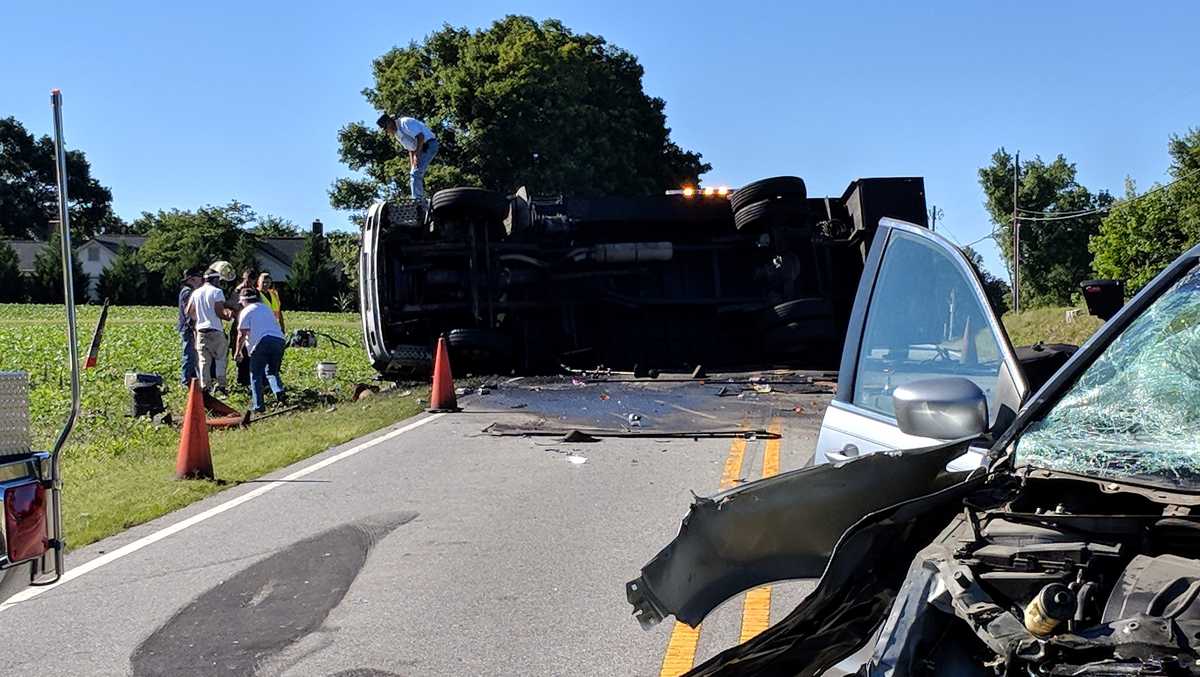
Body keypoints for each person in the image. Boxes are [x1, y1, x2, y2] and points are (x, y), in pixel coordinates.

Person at [234, 287, 287, 413]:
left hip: (261, 342)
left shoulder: (246, 311)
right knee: (272, 372)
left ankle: (258, 406)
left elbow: (241, 334)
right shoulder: (266, 308)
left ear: (244, 300)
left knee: (255, 374)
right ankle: (279, 392)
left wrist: (238, 352)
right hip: (279, 340)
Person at [186, 269, 232, 394]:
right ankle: (221, 386)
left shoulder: (196, 292)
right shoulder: (217, 292)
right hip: (215, 329)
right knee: (220, 358)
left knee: (203, 361)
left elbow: (189, 311)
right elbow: (219, 311)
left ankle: (205, 386)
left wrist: (199, 318)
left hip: (201, 330)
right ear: (215, 279)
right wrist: (228, 316)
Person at [377, 114, 439, 200]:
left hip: (429, 145)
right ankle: (417, 198)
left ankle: (418, 200)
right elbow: (411, 149)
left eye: (385, 128)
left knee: (416, 173)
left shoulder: (404, 123)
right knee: (414, 172)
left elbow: (420, 137)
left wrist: (417, 156)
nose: (387, 131)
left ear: (389, 123)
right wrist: (413, 165)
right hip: (421, 149)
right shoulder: (397, 134)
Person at [177, 269, 203, 386]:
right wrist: (193, 326)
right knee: (189, 355)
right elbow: (189, 311)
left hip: (189, 327)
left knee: (193, 355)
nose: (201, 280)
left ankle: (192, 379)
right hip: (188, 328)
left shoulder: (190, 291)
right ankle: (186, 380)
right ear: (192, 279)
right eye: (198, 277)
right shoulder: (187, 292)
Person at [231, 270, 256, 388]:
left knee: (249, 353)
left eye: (250, 280)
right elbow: (231, 304)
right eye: (245, 279)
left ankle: (249, 379)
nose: (247, 282)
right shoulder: (237, 291)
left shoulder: (255, 292)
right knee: (239, 353)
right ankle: (241, 380)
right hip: (238, 324)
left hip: (251, 326)